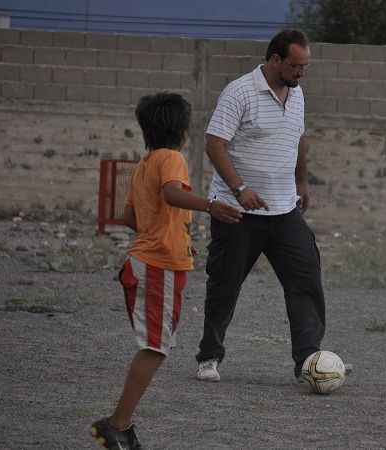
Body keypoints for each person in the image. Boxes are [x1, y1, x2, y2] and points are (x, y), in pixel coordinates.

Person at [88, 92, 241, 449]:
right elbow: (173, 195)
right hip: (156, 267)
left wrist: (172, 236)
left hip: (151, 262)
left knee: (157, 344)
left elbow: (131, 217)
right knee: (156, 347)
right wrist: (211, 205)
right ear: (184, 131)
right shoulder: (172, 158)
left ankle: (119, 425)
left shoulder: (146, 162)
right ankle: (117, 425)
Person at [195, 29, 326, 383]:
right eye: (297, 66)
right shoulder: (239, 92)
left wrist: (301, 180)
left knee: (306, 279)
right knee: (224, 284)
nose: (302, 73)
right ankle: (209, 357)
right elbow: (214, 143)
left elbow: (297, 138)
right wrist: (238, 189)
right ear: (275, 60)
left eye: (306, 66)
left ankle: (309, 361)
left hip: (285, 212)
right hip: (237, 212)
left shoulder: (297, 95)